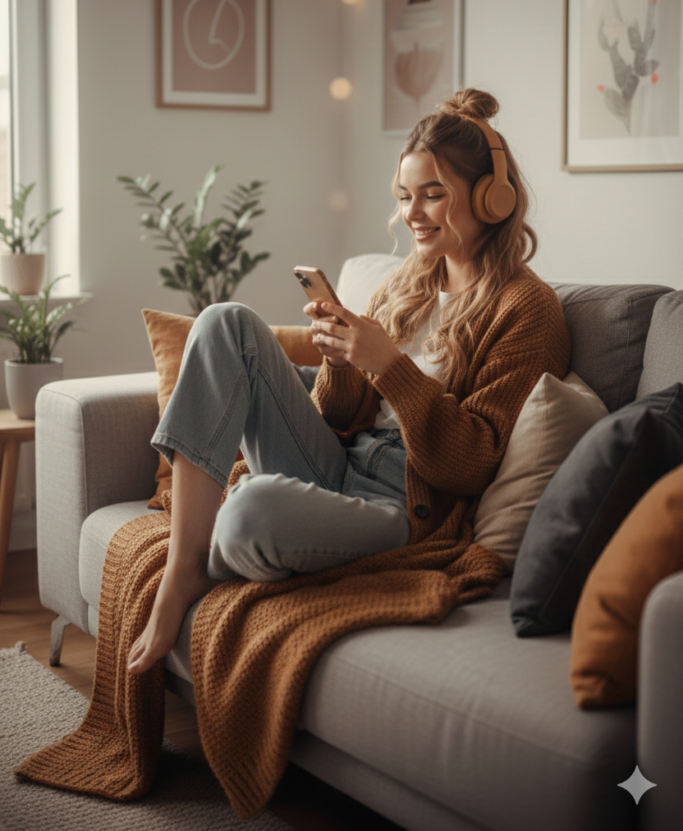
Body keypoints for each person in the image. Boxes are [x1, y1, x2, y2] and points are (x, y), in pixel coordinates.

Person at [128, 87, 571, 676]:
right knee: (224, 321)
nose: (412, 214)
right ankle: (186, 567)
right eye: (405, 196)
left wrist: (389, 366)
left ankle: (227, 533)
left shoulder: (527, 310)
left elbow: (471, 464)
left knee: (248, 514)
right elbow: (338, 418)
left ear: (492, 198)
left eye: (433, 195)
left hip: (401, 509)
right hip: (335, 466)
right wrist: (340, 360)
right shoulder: (408, 284)